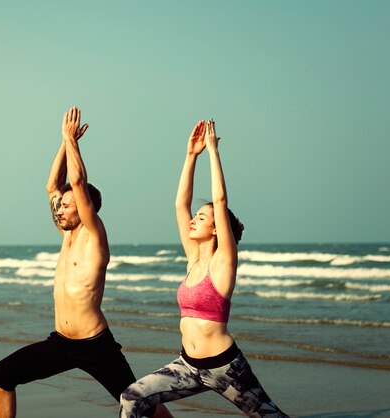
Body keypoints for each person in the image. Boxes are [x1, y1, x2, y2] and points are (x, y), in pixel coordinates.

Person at [0, 107, 171, 418]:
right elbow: (53, 186)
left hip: (95, 345)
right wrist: (63, 143)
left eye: (67, 205)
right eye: (60, 206)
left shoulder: (94, 235)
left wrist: (72, 141)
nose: (59, 209)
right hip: (61, 342)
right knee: (3, 374)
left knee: (137, 401)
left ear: (87, 209)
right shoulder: (67, 235)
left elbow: (77, 180)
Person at [119, 119, 289, 418]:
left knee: (271, 417)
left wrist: (212, 151)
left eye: (202, 217)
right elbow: (179, 205)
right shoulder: (193, 258)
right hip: (187, 366)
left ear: (216, 229)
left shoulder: (223, 262)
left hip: (225, 368)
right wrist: (190, 156)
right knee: (131, 398)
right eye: (195, 215)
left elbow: (220, 201)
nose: (193, 219)